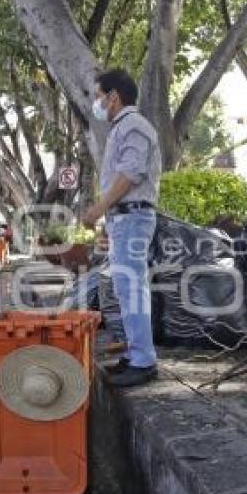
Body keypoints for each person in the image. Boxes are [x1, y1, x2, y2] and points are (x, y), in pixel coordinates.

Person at [83, 69, 161, 388]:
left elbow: (130, 173)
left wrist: (99, 209)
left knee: (132, 288)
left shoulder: (134, 126)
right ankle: (135, 354)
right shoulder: (122, 128)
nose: (97, 102)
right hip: (123, 217)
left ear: (114, 96)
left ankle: (144, 360)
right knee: (125, 288)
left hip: (133, 215)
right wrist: (108, 219)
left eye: (99, 96)